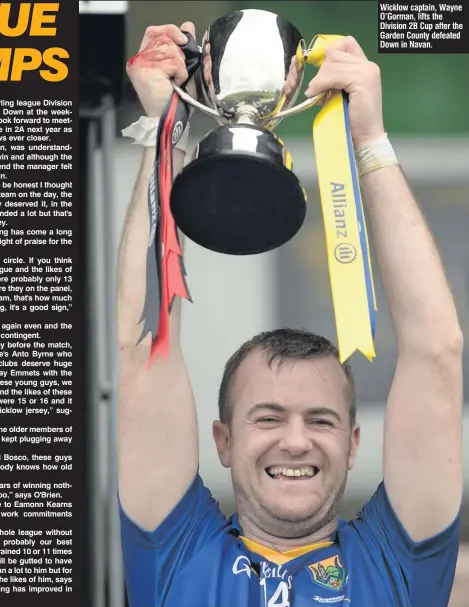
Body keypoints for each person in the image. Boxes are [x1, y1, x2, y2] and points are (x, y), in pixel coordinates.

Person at [117, 20, 464, 607]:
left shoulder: (397, 560)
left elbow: (437, 352)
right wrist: (164, 129)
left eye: (322, 420)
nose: (296, 441)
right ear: (223, 441)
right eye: (268, 417)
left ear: (354, 444)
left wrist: (370, 140)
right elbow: (141, 343)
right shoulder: (175, 552)